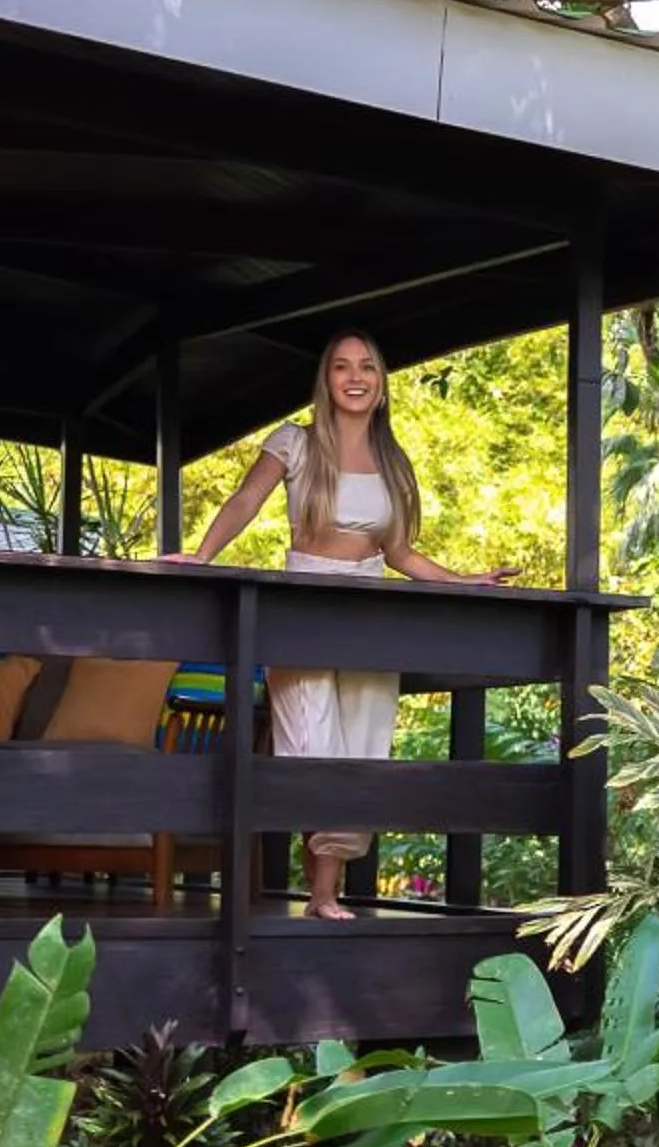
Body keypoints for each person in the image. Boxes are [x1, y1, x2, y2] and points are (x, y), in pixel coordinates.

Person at [168, 331, 517, 919]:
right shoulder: (295, 444)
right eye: (341, 368)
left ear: (381, 385)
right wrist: (203, 555)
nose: (355, 377)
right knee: (312, 748)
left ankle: (324, 895)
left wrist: (461, 579)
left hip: (370, 615)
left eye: (368, 368)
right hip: (302, 607)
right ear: (325, 381)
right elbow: (245, 500)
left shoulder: (393, 461)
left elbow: (401, 553)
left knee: (361, 753)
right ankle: (317, 890)